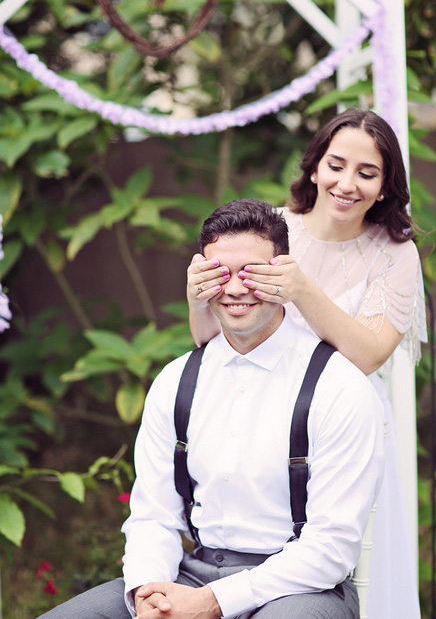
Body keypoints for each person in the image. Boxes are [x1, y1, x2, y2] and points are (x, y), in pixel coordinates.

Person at [38, 199, 384, 619]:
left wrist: (212, 603)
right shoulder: (176, 380)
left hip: (300, 588)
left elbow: (331, 548)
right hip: (189, 576)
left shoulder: (338, 386)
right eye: (221, 273)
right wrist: (151, 591)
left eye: (252, 272)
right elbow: (154, 516)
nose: (236, 289)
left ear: (282, 273)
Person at [187, 110, 427, 619]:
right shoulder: (271, 230)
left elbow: (367, 354)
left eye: (367, 173)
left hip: (346, 424)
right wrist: (196, 300)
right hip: (256, 411)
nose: (346, 183)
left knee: (349, 558)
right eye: (336, 165)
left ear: (385, 187)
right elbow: (210, 343)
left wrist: (303, 292)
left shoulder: (395, 254)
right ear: (314, 167)